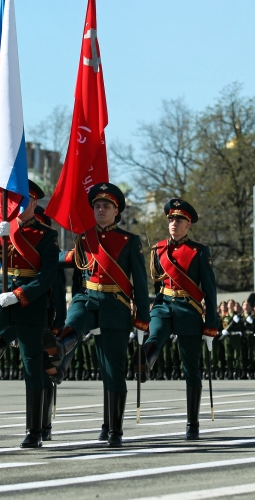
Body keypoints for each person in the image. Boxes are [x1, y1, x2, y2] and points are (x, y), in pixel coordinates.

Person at [45, 182, 150, 448]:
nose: (100, 209)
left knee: (112, 370)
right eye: (97, 206)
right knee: (74, 321)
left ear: (117, 211)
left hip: (115, 304)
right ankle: (59, 348)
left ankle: (113, 428)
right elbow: (74, 271)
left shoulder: (129, 240)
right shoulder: (84, 238)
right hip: (88, 298)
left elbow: (140, 282)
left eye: (106, 206)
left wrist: (142, 319)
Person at [0, 180, 59, 448]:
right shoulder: (4, 228)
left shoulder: (47, 236)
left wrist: (20, 295)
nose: (19, 206)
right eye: (16, 201)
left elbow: (47, 277)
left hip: (29, 302)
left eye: (25, 201)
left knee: (33, 367)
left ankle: (34, 431)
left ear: (34, 203)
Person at [136, 199, 219, 440]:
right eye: (171, 219)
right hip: (163, 304)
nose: (174, 223)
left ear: (188, 224)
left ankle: (192, 423)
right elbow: (156, 283)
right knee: (156, 333)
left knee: (191, 367)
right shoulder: (158, 249)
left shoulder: (200, 251)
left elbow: (210, 290)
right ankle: (144, 362)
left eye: (179, 220)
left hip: (188, 308)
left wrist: (211, 323)